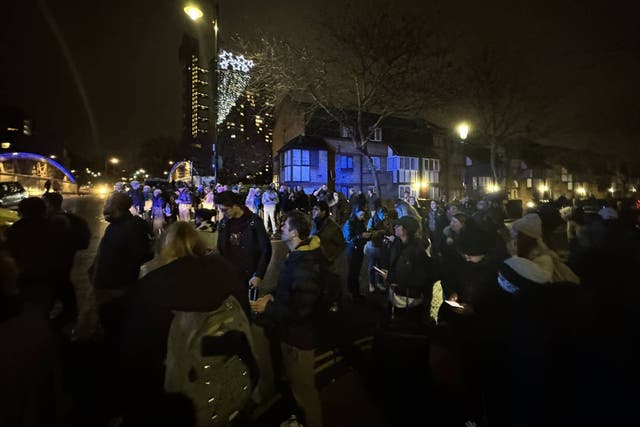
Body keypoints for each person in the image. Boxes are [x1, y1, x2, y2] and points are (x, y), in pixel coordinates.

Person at [117, 222, 251, 422]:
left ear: (164, 249)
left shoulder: (151, 287)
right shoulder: (225, 271)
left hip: (178, 393)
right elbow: (244, 315)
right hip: (231, 380)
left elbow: (136, 351)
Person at [251, 211, 324, 427]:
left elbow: (301, 308)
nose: (281, 229)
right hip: (292, 333)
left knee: (304, 391)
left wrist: (269, 307)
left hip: (299, 338)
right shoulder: (298, 256)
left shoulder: (305, 263)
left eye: (285, 227)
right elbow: (292, 290)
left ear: (294, 233)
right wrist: (273, 294)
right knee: (297, 386)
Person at [90, 192, 153, 350]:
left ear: (118, 206)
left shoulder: (132, 226)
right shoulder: (115, 226)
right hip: (107, 284)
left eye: (108, 202)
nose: (105, 206)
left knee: (115, 327)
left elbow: (141, 255)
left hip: (118, 287)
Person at [42, 192, 91, 327]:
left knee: (55, 288)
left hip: (54, 263)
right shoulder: (72, 219)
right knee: (64, 285)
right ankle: (70, 314)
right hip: (65, 261)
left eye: (44, 202)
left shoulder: (53, 221)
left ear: (49, 204)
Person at [215, 191, 272, 291]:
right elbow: (221, 247)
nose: (223, 213)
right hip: (229, 273)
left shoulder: (254, 221)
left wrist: (258, 275)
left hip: (248, 274)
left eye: (225, 210)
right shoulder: (224, 222)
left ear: (235, 205)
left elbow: (266, 249)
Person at [510, 213, 579, 283]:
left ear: (528, 238)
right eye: (513, 235)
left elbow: (541, 283)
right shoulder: (522, 253)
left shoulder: (543, 259)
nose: (514, 239)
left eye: (517, 236)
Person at [343, 206, 371, 300]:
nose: (362, 216)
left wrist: (368, 235)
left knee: (356, 272)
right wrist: (360, 236)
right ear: (355, 213)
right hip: (352, 250)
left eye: (363, 214)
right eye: (361, 214)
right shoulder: (349, 223)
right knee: (353, 272)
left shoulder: (360, 222)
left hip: (359, 249)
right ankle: (354, 294)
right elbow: (348, 238)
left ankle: (353, 292)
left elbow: (363, 233)